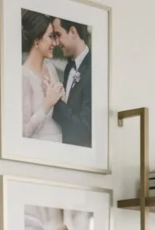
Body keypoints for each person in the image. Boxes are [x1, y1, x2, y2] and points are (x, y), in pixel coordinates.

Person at [20, 11, 63, 143]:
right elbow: (24, 132)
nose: (55, 43)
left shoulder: (50, 68)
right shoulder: (24, 76)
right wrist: (46, 104)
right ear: (37, 40)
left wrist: (60, 93)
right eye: (51, 37)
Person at [50, 17, 91, 147]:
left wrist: (56, 102)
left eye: (58, 35)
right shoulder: (69, 67)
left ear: (73, 32)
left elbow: (84, 129)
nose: (56, 42)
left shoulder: (93, 70)